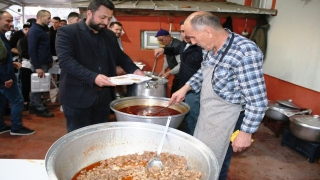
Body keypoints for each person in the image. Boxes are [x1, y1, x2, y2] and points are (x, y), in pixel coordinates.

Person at [169, 11, 268, 174]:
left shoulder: (245, 52)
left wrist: (245, 132)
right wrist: (185, 88)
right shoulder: (210, 46)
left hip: (228, 118)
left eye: (193, 37)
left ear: (208, 32)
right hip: (208, 113)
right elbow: (203, 72)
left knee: (217, 162)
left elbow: (257, 100)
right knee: (202, 155)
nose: (192, 42)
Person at [55, 0, 144, 132]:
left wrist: (134, 69)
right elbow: (66, 61)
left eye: (109, 18)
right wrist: (93, 77)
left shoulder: (109, 35)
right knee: (78, 137)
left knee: (99, 135)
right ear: (89, 13)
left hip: (103, 98)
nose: (106, 22)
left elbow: (120, 55)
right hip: (77, 97)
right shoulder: (67, 32)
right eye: (102, 17)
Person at [154, 19, 202, 135]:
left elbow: (203, 72)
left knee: (193, 117)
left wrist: (169, 73)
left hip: (194, 89)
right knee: (184, 113)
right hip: (183, 85)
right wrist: (163, 49)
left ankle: (193, 140)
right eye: (182, 31)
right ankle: (185, 133)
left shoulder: (201, 47)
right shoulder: (184, 45)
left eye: (187, 31)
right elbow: (174, 50)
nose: (185, 35)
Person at [0, 11, 35, 135]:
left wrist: (11, 63)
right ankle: (16, 128)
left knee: (2, 100)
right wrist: (6, 78)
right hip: (5, 77)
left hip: (4, 75)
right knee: (18, 100)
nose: (11, 24)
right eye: (7, 21)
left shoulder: (2, 36)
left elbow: (3, 58)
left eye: (11, 21)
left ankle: (1, 126)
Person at [28, 10, 54, 118]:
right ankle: (39, 108)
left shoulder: (42, 29)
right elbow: (32, 50)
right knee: (38, 87)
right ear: (40, 17)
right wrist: (37, 66)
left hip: (44, 61)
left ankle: (34, 105)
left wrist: (50, 60)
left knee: (39, 86)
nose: (50, 20)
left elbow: (45, 47)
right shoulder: (34, 31)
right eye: (48, 18)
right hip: (40, 63)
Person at [155, 29, 182, 95]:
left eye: (161, 39)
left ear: (168, 36)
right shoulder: (167, 45)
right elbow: (166, 58)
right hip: (176, 74)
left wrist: (169, 72)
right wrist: (163, 70)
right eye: (159, 40)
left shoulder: (177, 45)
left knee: (176, 94)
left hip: (182, 75)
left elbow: (181, 64)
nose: (160, 42)